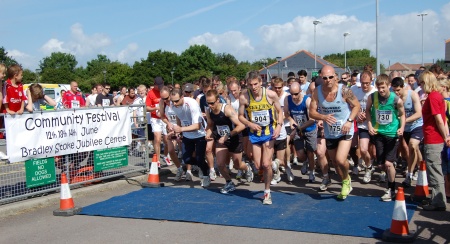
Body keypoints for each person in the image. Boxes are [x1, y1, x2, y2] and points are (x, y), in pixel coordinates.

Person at [309, 65, 360, 200]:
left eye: (331, 77)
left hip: (345, 129)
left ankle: (345, 182)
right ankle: (346, 179)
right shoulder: (316, 92)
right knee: (335, 162)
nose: (328, 80)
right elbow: (312, 112)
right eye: (325, 78)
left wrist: (349, 121)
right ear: (321, 78)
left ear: (336, 77)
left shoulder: (344, 91)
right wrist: (323, 117)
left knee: (340, 159)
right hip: (330, 131)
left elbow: (356, 106)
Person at [238, 70, 283, 205]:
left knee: (265, 164)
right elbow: (240, 116)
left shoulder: (270, 94)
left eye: (256, 84)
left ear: (261, 82)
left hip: (269, 132)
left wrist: (279, 126)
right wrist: (249, 123)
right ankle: (274, 164)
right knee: (258, 165)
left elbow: (280, 111)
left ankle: (267, 192)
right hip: (255, 133)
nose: (254, 87)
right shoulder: (244, 97)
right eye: (251, 85)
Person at [366, 74, 405, 201]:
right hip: (378, 133)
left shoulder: (396, 100)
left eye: (383, 87)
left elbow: (402, 114)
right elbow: (367, 110)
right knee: (381, 165)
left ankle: (391, 189)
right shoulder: (372, 97)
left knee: (388, 164)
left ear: (389, 86)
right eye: (378, 87)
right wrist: (369, 124)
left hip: (392, 134)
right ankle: (388, 176)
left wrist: (402, 127)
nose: (381, 90)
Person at [205, 89, 252, 193]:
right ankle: (229, 182)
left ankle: (247, 168)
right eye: (208, 103)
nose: (210, 105)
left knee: (237, 165)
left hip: (234, 138)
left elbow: (242, 125)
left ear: (218, 100)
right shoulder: (209, 111)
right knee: (220, 164)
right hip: (221, 140)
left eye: (212, 103)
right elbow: (210, 125)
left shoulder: (227, 109)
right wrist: (208, 132)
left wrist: (228, 135)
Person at [419, 71, 449, 211]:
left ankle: (438, 201)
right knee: (436, 169)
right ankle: (437, 199)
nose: (421, 86)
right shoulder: (438, 96)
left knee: (434, 170)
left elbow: (438, 119)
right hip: (435, 137)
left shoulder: (432, 97)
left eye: (422, 83)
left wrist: (445, 136)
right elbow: (442, 119)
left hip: (433, 139)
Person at [169, 88, 210, 187]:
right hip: (187, 134)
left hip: (199, 134)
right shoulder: (173, 105)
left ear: (182, 97)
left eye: (177, 101)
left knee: (200, 159)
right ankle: (203, 166)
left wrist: (181, 129)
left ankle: (205, 175)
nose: (174, 103)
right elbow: (179, 116)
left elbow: (197, 126)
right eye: (172, 101)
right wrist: (178, 131)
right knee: (186, 159)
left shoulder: (192, 104)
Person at [390, 77, 423, 187]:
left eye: (398, 90)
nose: (396, 93)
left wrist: (404, 120)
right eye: (394, 90)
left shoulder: (412, 94)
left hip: (416, 125)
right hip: (403, 128)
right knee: (412, 150)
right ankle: (420, 168)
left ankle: (410, 174)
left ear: (403, 87)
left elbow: (419, 113)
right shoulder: (392, 97)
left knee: (413, 145)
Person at [285, 81, 317, 183]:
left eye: (296, 94)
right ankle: (305, 161)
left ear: (301, 91)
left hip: (309, 129)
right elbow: (286, 113)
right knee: (300, 154)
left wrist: (298, 128)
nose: (294, 96)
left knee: (310, 152)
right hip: (297, 129)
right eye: (292, 94)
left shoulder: (307, 101)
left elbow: (312, 119)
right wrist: (290, 120)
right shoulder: (287, 99)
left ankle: (311, 172)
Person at [350, 71, 377, 183]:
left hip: (375, 125)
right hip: (362, 126)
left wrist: (368, 115)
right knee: (363, 149)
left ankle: (383, 171)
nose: (364, 86)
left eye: (367, 83)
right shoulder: (353, 90)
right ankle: (368, 167)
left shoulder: (375, 92)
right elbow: (347, 104)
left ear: (371, 81)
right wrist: (356, 114)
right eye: (362, 83)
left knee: (376, 153)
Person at [159, 86, 184, 180]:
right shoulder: (162, 103)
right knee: (170, 150)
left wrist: (179, 128)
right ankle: (179, 169)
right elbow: (162, 116)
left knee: (184, 150)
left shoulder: (176, 101)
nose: (165, 100)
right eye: (163, 98)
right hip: (171, 128)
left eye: (166, 98)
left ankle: (191, 168)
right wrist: (168, 123)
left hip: (181, 126)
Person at [270, 77, 290, 184]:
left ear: (283, 86)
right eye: (275, 87)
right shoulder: (269, 96)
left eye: (279, 87)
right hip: (270, 130)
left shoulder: (286, 97)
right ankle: (276, 175)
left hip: (284, 126)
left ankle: (287, 167)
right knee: (270, 158)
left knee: (281, 158)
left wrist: (279, 118)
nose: (277, 89)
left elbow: (287, 113)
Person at [146, 77, 169, 165]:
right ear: (154, 84)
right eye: (158, 86)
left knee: (167, 140)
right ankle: (158, 159)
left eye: (161, 85)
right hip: (155, 118)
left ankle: (166, 156)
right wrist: (155, 108)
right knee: (157, 138)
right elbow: (147, 108)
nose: (159, 87)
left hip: (165, 117)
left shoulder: (165, 90)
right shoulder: (150, 93)